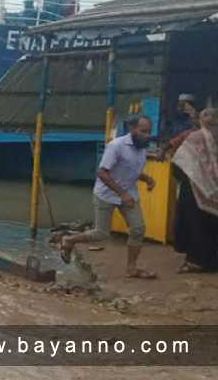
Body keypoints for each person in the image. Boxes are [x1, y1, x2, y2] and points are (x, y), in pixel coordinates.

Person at [60, 115, 157, 279]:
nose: (147, 136)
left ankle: (131, 268)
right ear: (132, 129)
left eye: (149, 132)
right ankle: (69, 240)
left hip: (129, 194)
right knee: (101, 233)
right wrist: (122, 193)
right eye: (143, 131)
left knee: (138, 229)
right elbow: (102, 172)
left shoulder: (142, 148)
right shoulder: (116, 146)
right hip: (106, 194)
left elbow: (131, 169)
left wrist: (146, 178)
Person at [172, 108, 218, 273]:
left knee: (194, 225)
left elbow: (179, 163)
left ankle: (195, 261)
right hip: (213, 191)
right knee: (211, 225)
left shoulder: (194, 137)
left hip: (193, 190)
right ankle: (211, 262)